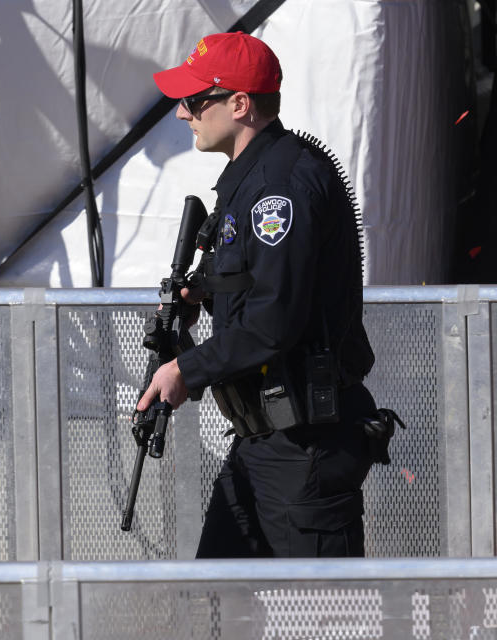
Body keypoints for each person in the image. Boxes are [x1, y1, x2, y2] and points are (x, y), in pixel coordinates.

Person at [138, 33, 382, 557]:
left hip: (304, 451)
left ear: (241, 104)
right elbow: (257, 285)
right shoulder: (250, 181)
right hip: (264, 444)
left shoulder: (281, 188)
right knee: (220, 606)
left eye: (195, 100)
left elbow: (274, 323)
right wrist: (200, 291)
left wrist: (185, 370)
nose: (183, 114)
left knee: (322, 620)